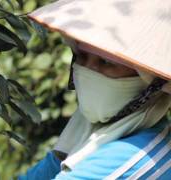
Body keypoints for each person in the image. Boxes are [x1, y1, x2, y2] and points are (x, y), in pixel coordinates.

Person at [18, 0, 171, 179]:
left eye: (106, 63)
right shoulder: (87, 132)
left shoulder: (131, 158)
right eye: (82, 56)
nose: (88, 72)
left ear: (151, 83)